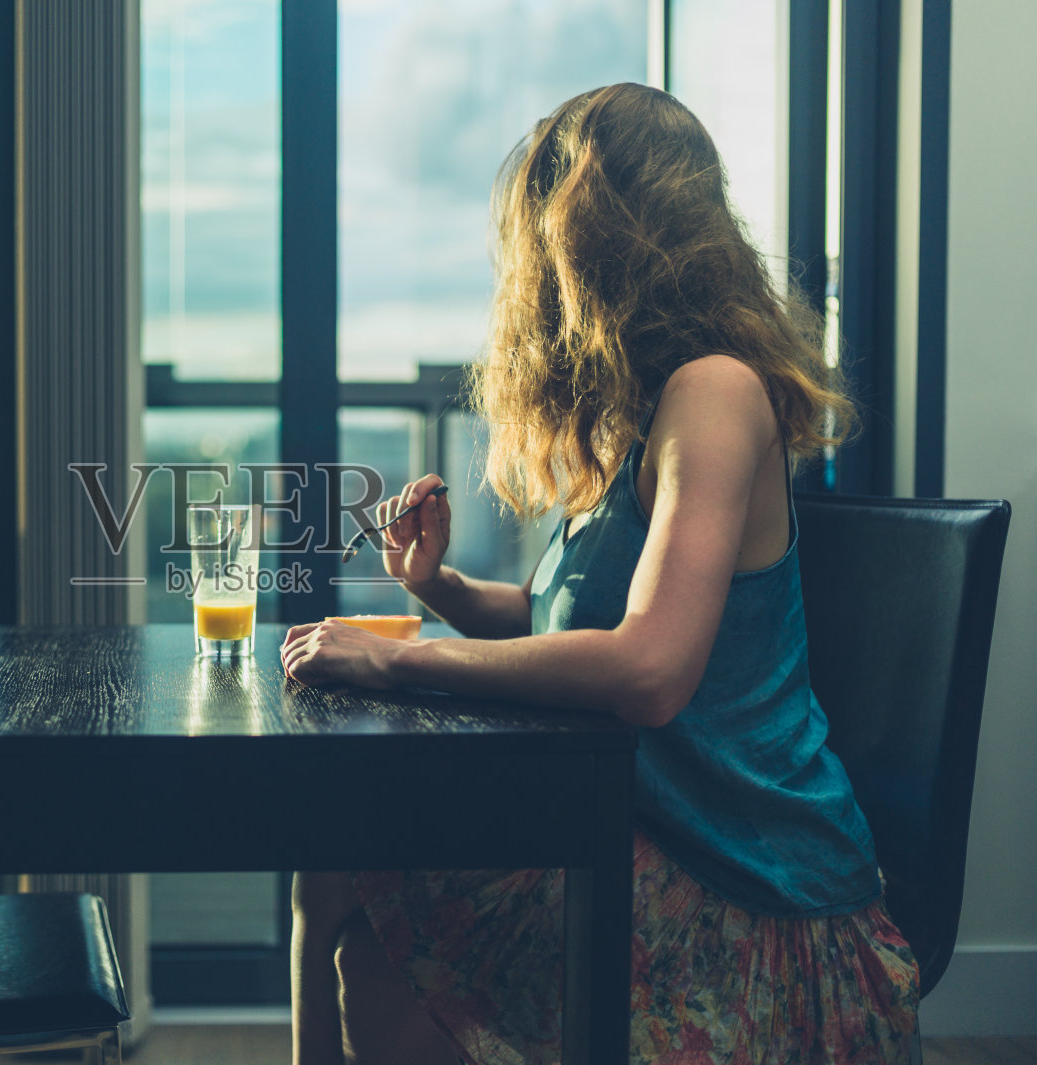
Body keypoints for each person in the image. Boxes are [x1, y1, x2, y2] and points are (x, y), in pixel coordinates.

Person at [280, 82, 920, 1065]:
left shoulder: (714, 392)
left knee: (376, 941)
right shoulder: (636, 415)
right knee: (338, 860)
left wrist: (395, 659)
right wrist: (441, 591)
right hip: (637, 834)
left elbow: (647, 670)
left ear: (590, 235)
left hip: (753, 896)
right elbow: (564, 625)